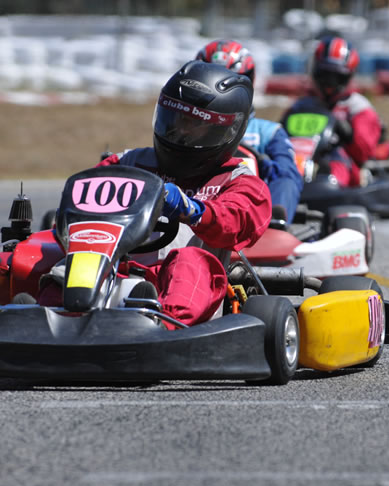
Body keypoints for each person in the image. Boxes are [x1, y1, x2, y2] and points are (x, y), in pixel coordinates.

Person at [93, 60, 272, 327]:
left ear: (224, 130)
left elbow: (239, 218)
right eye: (174, 118)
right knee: (42, 251)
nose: (178, 130)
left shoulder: (237, 180)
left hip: (181, 288)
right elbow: (84, 198)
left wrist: (192, 209)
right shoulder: (127, 164)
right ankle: (40, 312)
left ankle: (161, 326)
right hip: (112, 273)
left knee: (190, 260)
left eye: (192, 123)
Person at [195, 39, 303, 222]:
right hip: (193, 205)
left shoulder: (267, 132)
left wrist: (264, 165)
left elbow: (285, 175)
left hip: (249, 212)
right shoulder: (188, 126)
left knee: (286, 173)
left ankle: (276, 221)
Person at [282, 35, 383, 188]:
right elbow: (281, 137)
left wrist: (347, 133)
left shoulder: (358, 107)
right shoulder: (302, 105)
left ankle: (328, 188)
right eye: (325, 75)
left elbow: (364, 154)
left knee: (334, 164)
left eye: (336, 77)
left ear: (347, 76)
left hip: (341, 161)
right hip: (300, 159)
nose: (329, 83)